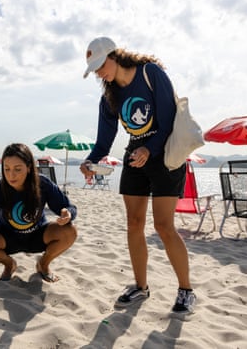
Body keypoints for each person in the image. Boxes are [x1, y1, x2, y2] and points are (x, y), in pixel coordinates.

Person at [80, 37, 195, 313]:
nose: (99, 73)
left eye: (100, 65)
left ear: (115, 56)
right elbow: (104, 142)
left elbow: (167, 120)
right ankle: (141, 287)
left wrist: (149, 148)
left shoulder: (149, 72)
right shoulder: (109, 96)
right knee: (133, 224)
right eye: (94, 70)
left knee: (164, 227)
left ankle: (186, 290)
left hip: (165, 153)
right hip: (136, 155)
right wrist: (90, 160)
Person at [0, 143, 77, 300]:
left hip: (37, 236)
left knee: (70, 231)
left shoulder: (43, 183)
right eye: (6, 169)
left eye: (17, 169)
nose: (11, 175)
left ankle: (43, 264)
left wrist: (68, 213)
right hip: (8, 237)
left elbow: (68, 206)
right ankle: (9, 265)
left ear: (29, 167)